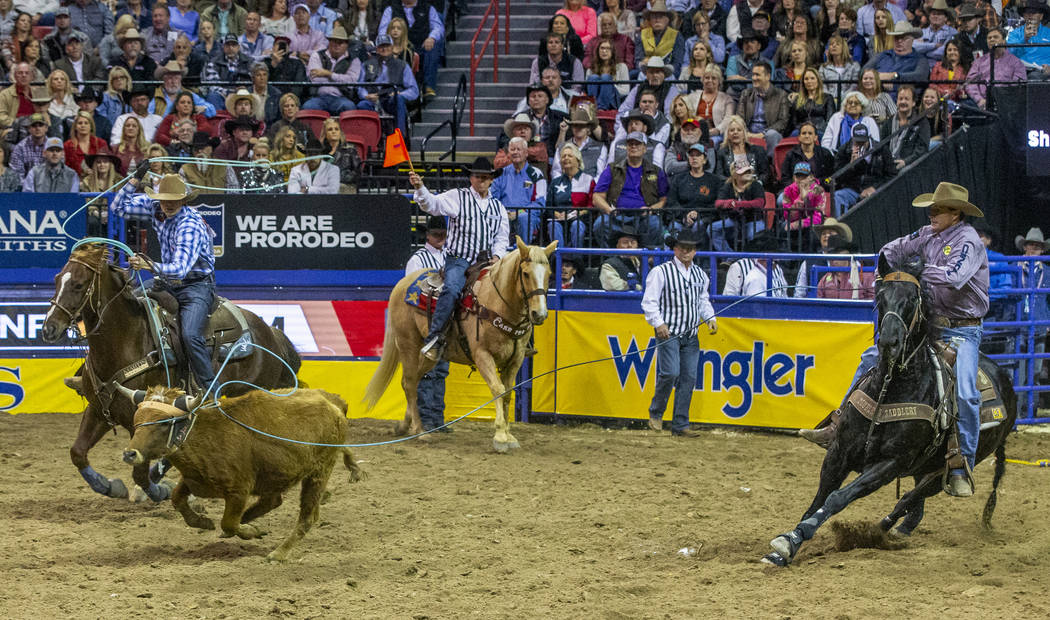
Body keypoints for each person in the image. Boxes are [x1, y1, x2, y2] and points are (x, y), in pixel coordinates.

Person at [802, 182, 988, 498]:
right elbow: (889, 251)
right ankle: (838, 424)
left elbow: (955, 277)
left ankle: (961, 463)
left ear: (955, 213)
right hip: (930, 326)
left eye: (938, 209)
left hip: (962, 330)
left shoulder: (969, 242)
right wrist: (888, 273)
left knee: (968, 393)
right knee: (871, 357)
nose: (931, 214)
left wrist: (914, 273)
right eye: (931, 208)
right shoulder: (926, 235)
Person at [112, 165, 218, 399]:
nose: (168, 204)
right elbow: (117, 207)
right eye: (164, 199)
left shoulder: (190, 225)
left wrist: (149, 265)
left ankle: (212, 390)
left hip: (196, 286)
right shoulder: (154, 207)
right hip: (167, 283)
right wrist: (135, 178)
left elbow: (180, 268)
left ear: (183, 200)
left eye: (174, 200)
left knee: (191, 335)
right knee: (128, 305)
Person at [408, 157, 510, 360]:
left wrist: (498, 256)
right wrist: (420, 188)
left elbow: (501, 238)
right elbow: (432, 205)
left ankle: (518, 339)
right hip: (459, 260)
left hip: (486, 262)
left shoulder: (498, 208)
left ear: (491, 180)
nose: (481, 180)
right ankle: (435, 338)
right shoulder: (457, 197)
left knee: (510, 289)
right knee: (452, 289)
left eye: (485, 177)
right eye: (477, 176)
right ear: (471, 178)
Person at [642, 228, 717, 437]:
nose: (686, 251)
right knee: (670, 372)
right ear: (675, 249)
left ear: (694, 251)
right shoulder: (661, 272)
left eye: (690, 248)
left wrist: (710, 318)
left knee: (689, 378)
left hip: (690, 335)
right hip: (669, 333)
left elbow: (703, 301)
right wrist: (658, 323)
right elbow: (649, 301)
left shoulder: (700, 275)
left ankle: (680, 424)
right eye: (682, 247)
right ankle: (656, 412)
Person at [403, 215, 451, 431]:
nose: (440, 237)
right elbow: (411, 288)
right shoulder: (418, 259)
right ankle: (427, 418)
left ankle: (436, 419)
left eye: (443, 233)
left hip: (442, 320)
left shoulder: (449, 256)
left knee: (439, 370)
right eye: (436, 234)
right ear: (428, 235)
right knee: (429, 371)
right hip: (425, 318)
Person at [592, 131, 668, 248]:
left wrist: (651, 209)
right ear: (626, 148)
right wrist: (609, 210)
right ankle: (612, 259)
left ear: (645, 148)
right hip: (617, 216)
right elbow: (597, 197)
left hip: (643, 217)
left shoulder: (656, 171)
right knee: (600, 224)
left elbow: (664, 200)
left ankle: (647, 260)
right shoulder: (612, 168)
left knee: (655, 224)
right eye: (630, 144)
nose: (633, 146)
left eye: (637, 144)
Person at [377, 0, 444, 100]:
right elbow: (383, 31)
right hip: (398, 46)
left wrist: (431, 38)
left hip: (421, 45)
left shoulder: (428, 8)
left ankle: (428, 86)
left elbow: (438, 27)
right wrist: (390, 44)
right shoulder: (391, 9)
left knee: (433, 46)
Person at [357, 33, 418, 137]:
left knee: (398, 99)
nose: (384, 49)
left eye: (387, 46)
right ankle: (371, 143)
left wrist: (400, 94)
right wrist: (365, 96)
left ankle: (400, 138)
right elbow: (360, 86)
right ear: (377, 49)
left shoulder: (402, 65)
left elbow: (414, 90)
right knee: (362, 105)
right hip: (373, 99)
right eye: (381, 46)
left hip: (391, 100)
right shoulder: (367, 65)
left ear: (392, 47)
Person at [490, 136, 547, 245]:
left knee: (523, 218)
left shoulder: (536, 174)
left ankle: (522, 253)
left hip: (527, 215)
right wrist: (503, 212)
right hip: (504, 214)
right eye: (512, 149)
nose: (515, 152)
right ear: (508, 153)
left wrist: (518, 212)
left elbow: (540, 203)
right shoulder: (501, 173)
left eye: (518, 149)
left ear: (526, 153)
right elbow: (492, 198)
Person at [831, 124, 893, 216]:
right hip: (854, 189)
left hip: (876, 189)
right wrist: (850, 166)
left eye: (863, 142)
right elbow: (837, 178)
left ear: (869, 138)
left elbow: (891, 174)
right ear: (852, 139)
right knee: (838, 196)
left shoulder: (881, 149)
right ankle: (842, 227)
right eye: (857, 142)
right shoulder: (844, 150)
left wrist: (875, 187)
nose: (860, 146)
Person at [1015, 227, 1050, 387]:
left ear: (1042, 250)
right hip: (1018, 325)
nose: (1034, 248)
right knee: (1018, 371)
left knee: (1035, 372)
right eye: (1031, 244)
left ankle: (1031, 409)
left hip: (1039, 325)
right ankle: (1020, 409)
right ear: (1024, 247)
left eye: (1038, 245)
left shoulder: (1047, 272)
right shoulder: (1014, 267)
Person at [666, 142, 719, 243]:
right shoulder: (678, 179)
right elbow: (672, 202)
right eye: (691, 155)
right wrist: (684, 216)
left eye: (698, 155)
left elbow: (715, 204)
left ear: (704, 159)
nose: (694, 158)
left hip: (705, 218)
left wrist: (698, 214)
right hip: (681, 218)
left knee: (698, 226)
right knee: (674, 227)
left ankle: (698, 257)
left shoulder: (714, 181)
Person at [303, 25, 361, 115]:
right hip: (318, 97)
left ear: (346, 45)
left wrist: (327, 73)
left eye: (340, 42)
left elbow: (351, 82)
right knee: (308, 107)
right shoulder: (317, 55)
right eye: (334, 41)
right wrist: (340, 79)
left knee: (349, 107)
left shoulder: (354, 60)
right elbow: (315, 79)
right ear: (329, 42)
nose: (336, 45)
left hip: (341, 97)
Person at [964, 27, 1027, 109]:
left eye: (995, 37)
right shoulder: (979, 62)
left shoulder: (1016, 62)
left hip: (1006, 103)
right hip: (982, 102)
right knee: (963, 107)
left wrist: (1002, 99)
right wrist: (979, 100)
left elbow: (1018, 86)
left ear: (1004, 40)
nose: (992, 40)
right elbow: (970, 83)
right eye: (989, 38)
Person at [863, 21, 931, 96]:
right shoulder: (882, 55)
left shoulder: (920, 59)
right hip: (874, 96)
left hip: (901, 99)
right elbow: (863, 71)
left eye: (904, 38)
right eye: (896, 38)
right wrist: (875, 77)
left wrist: (894, 76)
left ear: (912, 40)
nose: (899, 41)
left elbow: (920, 76)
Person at [711, 159, 766, 252]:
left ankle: (752, 260)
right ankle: (729, 257)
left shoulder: (756, 185)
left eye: (748, 171)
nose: (747, 173)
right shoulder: (728, 186)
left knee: (754, 234)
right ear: (735, 174)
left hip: (753, 219)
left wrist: (738, 204)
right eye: (744, 172)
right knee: (712, 228)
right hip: (733, 220)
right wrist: (729, 203)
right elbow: (718, 203)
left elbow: (759, 203)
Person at [546, 142, 594, 248]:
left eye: (569, 156)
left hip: (579, 219)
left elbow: (591, 206)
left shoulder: (588, 179)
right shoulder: (555, 182)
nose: (566, 158)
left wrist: (577, 214)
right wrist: (557, 215)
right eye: (563, 156)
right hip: (559, 219)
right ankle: (559, 260)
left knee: (576, 226)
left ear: (578, 159)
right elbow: (549, 206)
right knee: (553, 225)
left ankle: (576, 260)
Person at [778, 121, 834, 190]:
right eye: (804, 133)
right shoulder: (791, 154)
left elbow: (830, 177)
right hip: (795, 190)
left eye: (810, 133)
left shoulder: (825, 154)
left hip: (818, 190)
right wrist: (795, 188)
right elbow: (785, 178)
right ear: (799, 137)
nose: (807, 136)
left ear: (815, 137)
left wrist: (818, 183)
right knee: (781, 199)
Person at [634, 0, 685, 75]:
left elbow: (677, 63)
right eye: (654, 17)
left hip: (668, 75)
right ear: (650, 20)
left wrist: (663, 73)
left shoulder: (677, 36)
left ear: (667, 20)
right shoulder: (642, 35)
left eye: (660, 16)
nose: (657, 20)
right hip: (646, 75)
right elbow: (638, 61)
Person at [815, 235, 874, 299]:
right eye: (831, 254)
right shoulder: (825, 279)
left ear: (847, 254)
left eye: (837, 253)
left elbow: (874, 300)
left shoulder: (864, 275)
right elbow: (818, 301)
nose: (834, 260)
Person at [887, 85, 930, 171]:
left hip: (910, 165)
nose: (903, 102)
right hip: (890, 163)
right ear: (896, 101)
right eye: (900, 99)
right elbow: (883, 145)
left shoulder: (921, 122)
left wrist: (905, 162)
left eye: (907, 99)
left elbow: (922, 149)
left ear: (913, 102)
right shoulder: (889, 121)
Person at [1007, 1, 1050, 81]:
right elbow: (1009, 55)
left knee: (1035, 77)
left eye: (1034, 12)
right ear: (1023, 15)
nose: (1030, 15)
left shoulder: (1049, 33)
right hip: (1020, 71)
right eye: (1027, 12)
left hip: (1045, 72)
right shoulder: (1014, 34)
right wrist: (1024, 38)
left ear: (1041, 16)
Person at [600, 226, 643, 291]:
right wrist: (640, 288)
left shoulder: (642, 263)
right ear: (617, 246)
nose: (630, 245)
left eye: (633, 242)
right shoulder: (609, 265)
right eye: (625, 242)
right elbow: (613, 285)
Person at [10, 112, 50, 179]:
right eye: (34, 125)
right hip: (26, 186)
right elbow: (17, 175)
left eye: (40, 125)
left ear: (46, 128)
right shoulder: (20, 148)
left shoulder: (53, 147)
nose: (37, 128)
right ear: (29, 129)